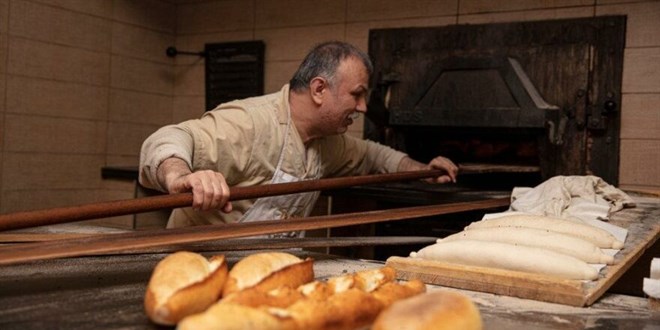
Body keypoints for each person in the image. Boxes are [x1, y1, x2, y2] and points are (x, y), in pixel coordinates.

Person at [139, 41, 458, 230]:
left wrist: (420, 170)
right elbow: (169, 137)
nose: (362, 108)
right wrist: (179, 176)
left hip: (264, 277)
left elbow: (373, 156)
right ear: (319, 89)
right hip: (199, 275)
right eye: (357, 95)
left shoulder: (327, 143)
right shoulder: (250, 124)